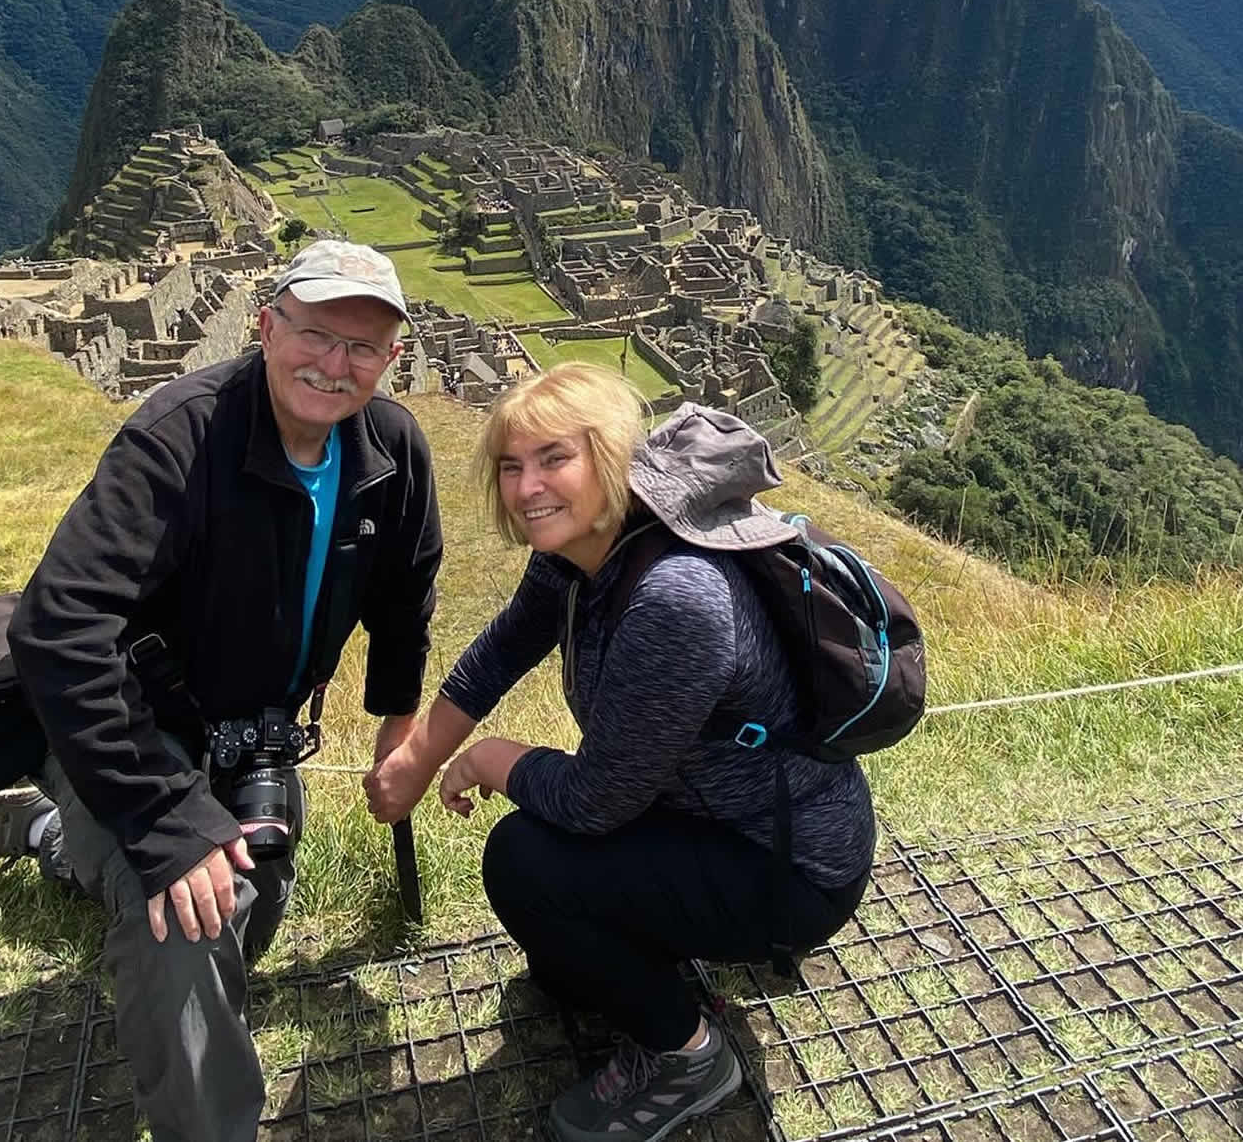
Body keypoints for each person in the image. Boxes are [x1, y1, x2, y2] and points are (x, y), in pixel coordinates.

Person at [0, 240, 443, 1142]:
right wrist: (167, 822)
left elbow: (408, 588)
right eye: (316, 334)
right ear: (266, 325)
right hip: (129, 722)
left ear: (392, 359)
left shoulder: (389, 449)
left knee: (260, 892)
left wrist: (398, 722)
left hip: (250, 728)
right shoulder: (182, 436)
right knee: (195, 920)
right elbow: (60, 628)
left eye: (363, 348)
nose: (335, 364)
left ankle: (46, 834)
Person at [365, 363, 874, 1142]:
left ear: (609, 456)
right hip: (714, 821)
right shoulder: (583, 548)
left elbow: (595, 802)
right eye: (511, 465)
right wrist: (419, 757)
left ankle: (690, 1060)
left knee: (524, 863)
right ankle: (657, 965)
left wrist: (491, 758)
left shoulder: (676, 595)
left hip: (789, 869)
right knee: (563, 969)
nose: (527, 486)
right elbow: (505, 646)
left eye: (553, 459)